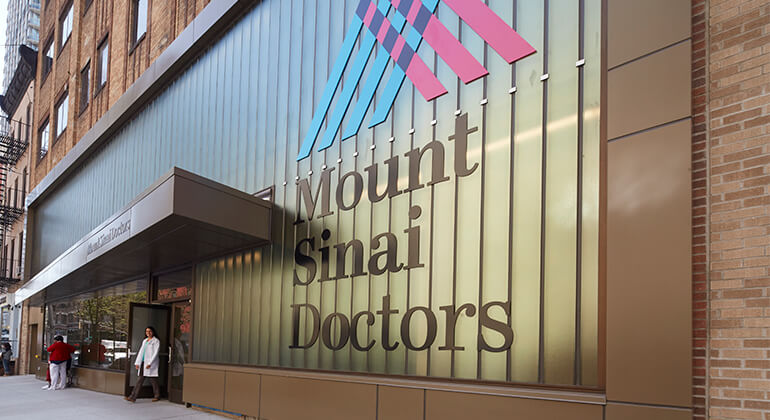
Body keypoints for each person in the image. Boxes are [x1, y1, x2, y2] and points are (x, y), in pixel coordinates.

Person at [125, 326, 161, 402]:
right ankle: (133, 397)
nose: (148, 333)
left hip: (150, 363)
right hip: (143, 363)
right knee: (139, 380)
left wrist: (150, 363)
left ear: (153, 332)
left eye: (150, 331)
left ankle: (157, 396)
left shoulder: (156, 341)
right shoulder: (145, 341)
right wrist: (137, 363)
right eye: (147, 331)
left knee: (153, 381)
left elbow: (155, 353)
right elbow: (141, 352)